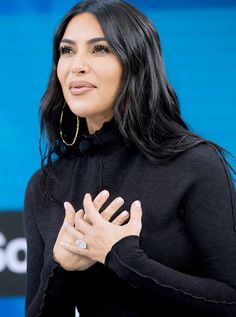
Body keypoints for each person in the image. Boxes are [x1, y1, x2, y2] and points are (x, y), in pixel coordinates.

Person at [23, 0, 236, 316]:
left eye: (100, 49)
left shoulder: (196, 165)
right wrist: (61, 268)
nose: (77, 65)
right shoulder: (44, 185)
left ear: (135, 63)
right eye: (67, 51)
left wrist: (122, 257)